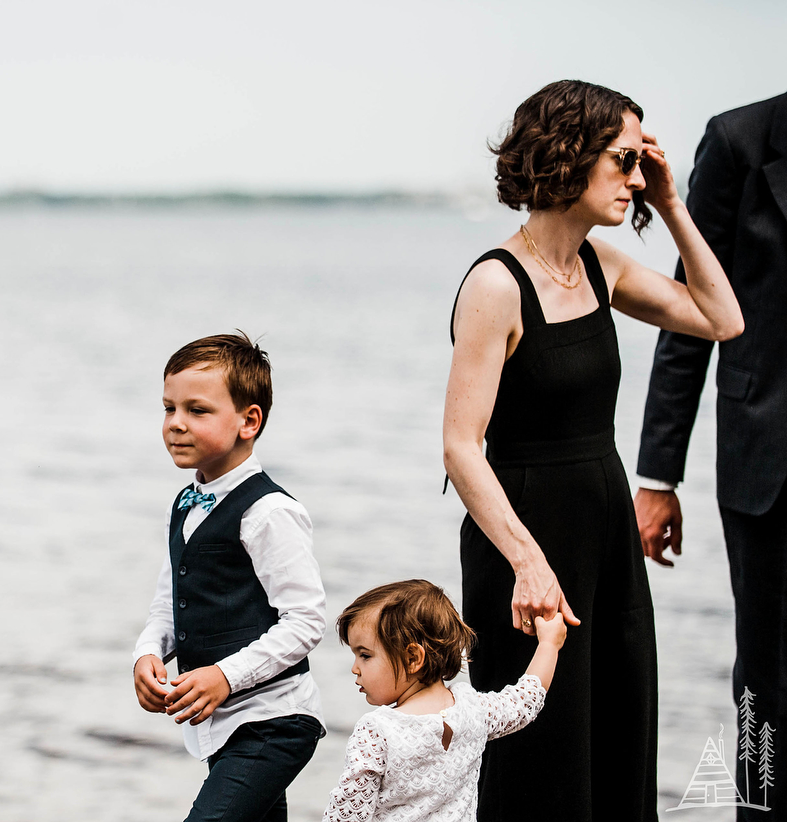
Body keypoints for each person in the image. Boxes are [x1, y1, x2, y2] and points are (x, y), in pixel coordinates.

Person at [443, 79, 744, 820]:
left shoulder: (601, 268)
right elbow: (459, 447)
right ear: (566, 154)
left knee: (618, 729)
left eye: (643, 161)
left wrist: (675, 204)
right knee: (535, 755)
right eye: (623, 159)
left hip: (603, 530)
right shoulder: (495, 283)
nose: (637, 177)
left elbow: (721, 317)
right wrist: (526, 559)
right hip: (524, 544)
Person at [635, 91, 787, 820]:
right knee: (764, 680)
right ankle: (757, 810)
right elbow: (691, 317)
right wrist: (659, 476)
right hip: (769, 466)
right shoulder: (740, 141)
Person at [132, 332, 326, 822]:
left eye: (197, 411)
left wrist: (224, 675)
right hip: (224, 726)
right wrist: (148, 654)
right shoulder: (186, 503)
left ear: (249, 421)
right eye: (168, 408)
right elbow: (167, 606)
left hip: (273, 721)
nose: (176, 424)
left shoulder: (268, 511)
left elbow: (305, 621)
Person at [323, 580, 566, 822]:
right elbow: (525, 700)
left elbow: (345, 815)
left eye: (365, 655)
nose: (355, 668)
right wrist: (549, 645)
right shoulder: (473, 709)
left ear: (412, 658)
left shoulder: (377, 731)